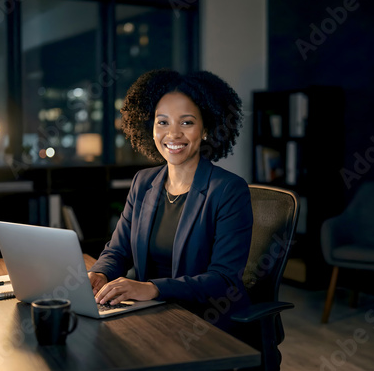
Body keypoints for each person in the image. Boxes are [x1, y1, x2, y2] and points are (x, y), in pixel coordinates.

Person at [88, 68, 253, 332]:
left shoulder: (229, 190)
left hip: (204, 323)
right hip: (150, 315)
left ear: (206, 128)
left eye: (186, 122)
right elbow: (118, 250)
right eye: (162, 122)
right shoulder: (143, 182)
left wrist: (153, 288)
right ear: (150, 127)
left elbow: (224, 280)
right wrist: (99, 274)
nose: (173, 134)